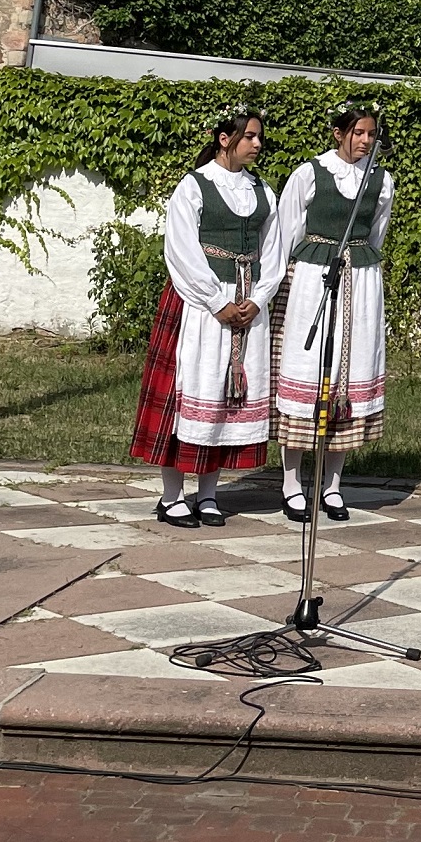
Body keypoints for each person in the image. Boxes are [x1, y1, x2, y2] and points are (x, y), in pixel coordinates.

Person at [129, 105, 286, 528]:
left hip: (246, 305)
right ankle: (171, 496)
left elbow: (274, 250)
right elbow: (181, 249)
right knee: (189, 396)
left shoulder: (262, 192)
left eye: (258, 137)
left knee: (224, 400)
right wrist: (216, 300)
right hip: (199, 306)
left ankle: (210, 494)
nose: (257, 144)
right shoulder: (194, 187)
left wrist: (260, 295)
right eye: (250, 136)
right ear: (224, 139)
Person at [271, 101, 394, 525]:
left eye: (371, 134)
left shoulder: (381, 179)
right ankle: (291, 482)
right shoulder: (310, 174)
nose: (365, 141)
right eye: (358, 132)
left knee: (349, 371)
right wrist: (283, 284)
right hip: (312, 280)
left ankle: (334, 484)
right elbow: (287, 232)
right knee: (309, 369)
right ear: (339, 133)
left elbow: (377, 232)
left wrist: (361, 267)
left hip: (360, 282)